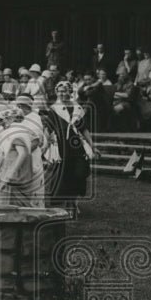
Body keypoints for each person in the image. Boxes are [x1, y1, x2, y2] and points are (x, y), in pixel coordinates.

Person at [44, 80, 97, 215]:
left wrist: (93, 146)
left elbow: (83, 129)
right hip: (62, 147)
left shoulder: (77, 108)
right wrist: (44, 146)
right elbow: (48, 129)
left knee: (79, 174)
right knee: (65, 176)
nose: (62, 94)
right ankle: (69, 204)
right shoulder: (54, 109)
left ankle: (73, 202)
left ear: (70, 92)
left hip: (77, 146)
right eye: (59, 91)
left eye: (64, 91)